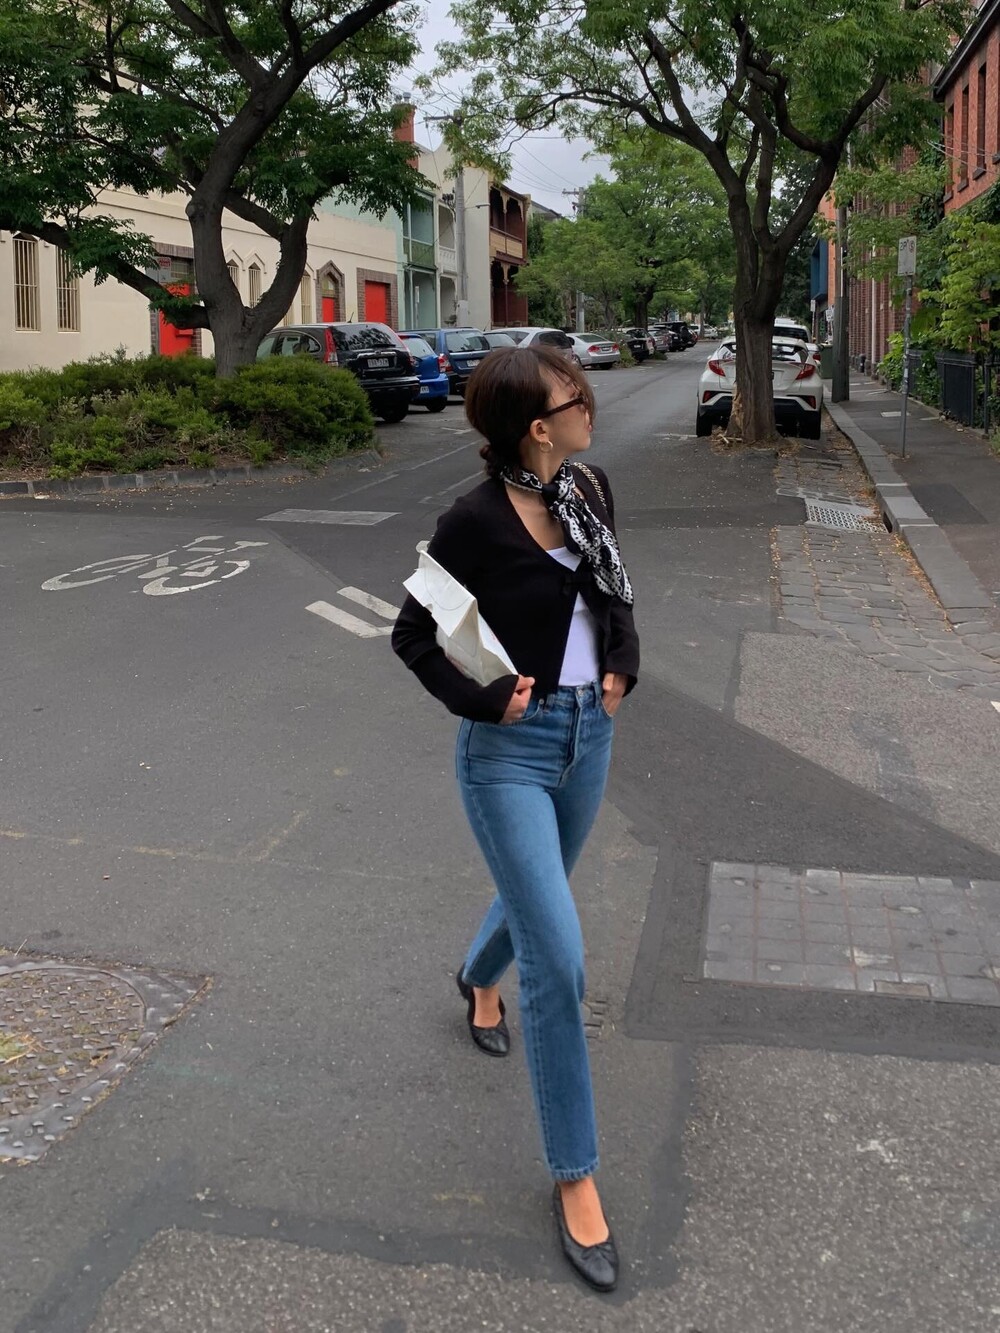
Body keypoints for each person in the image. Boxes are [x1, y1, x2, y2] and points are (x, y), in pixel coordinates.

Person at [391, 345, 639, 1293]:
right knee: (559, 956)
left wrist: (622, 663)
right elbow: (412, 635)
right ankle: (576, 1176)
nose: (589, 406)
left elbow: (612, 590)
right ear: (539, 426)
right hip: (510, 753)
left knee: (541, 896)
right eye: (577, 398)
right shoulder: (474, 521)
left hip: (589, 737)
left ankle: (475, 978)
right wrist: (483, 700)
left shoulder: (589, 490)